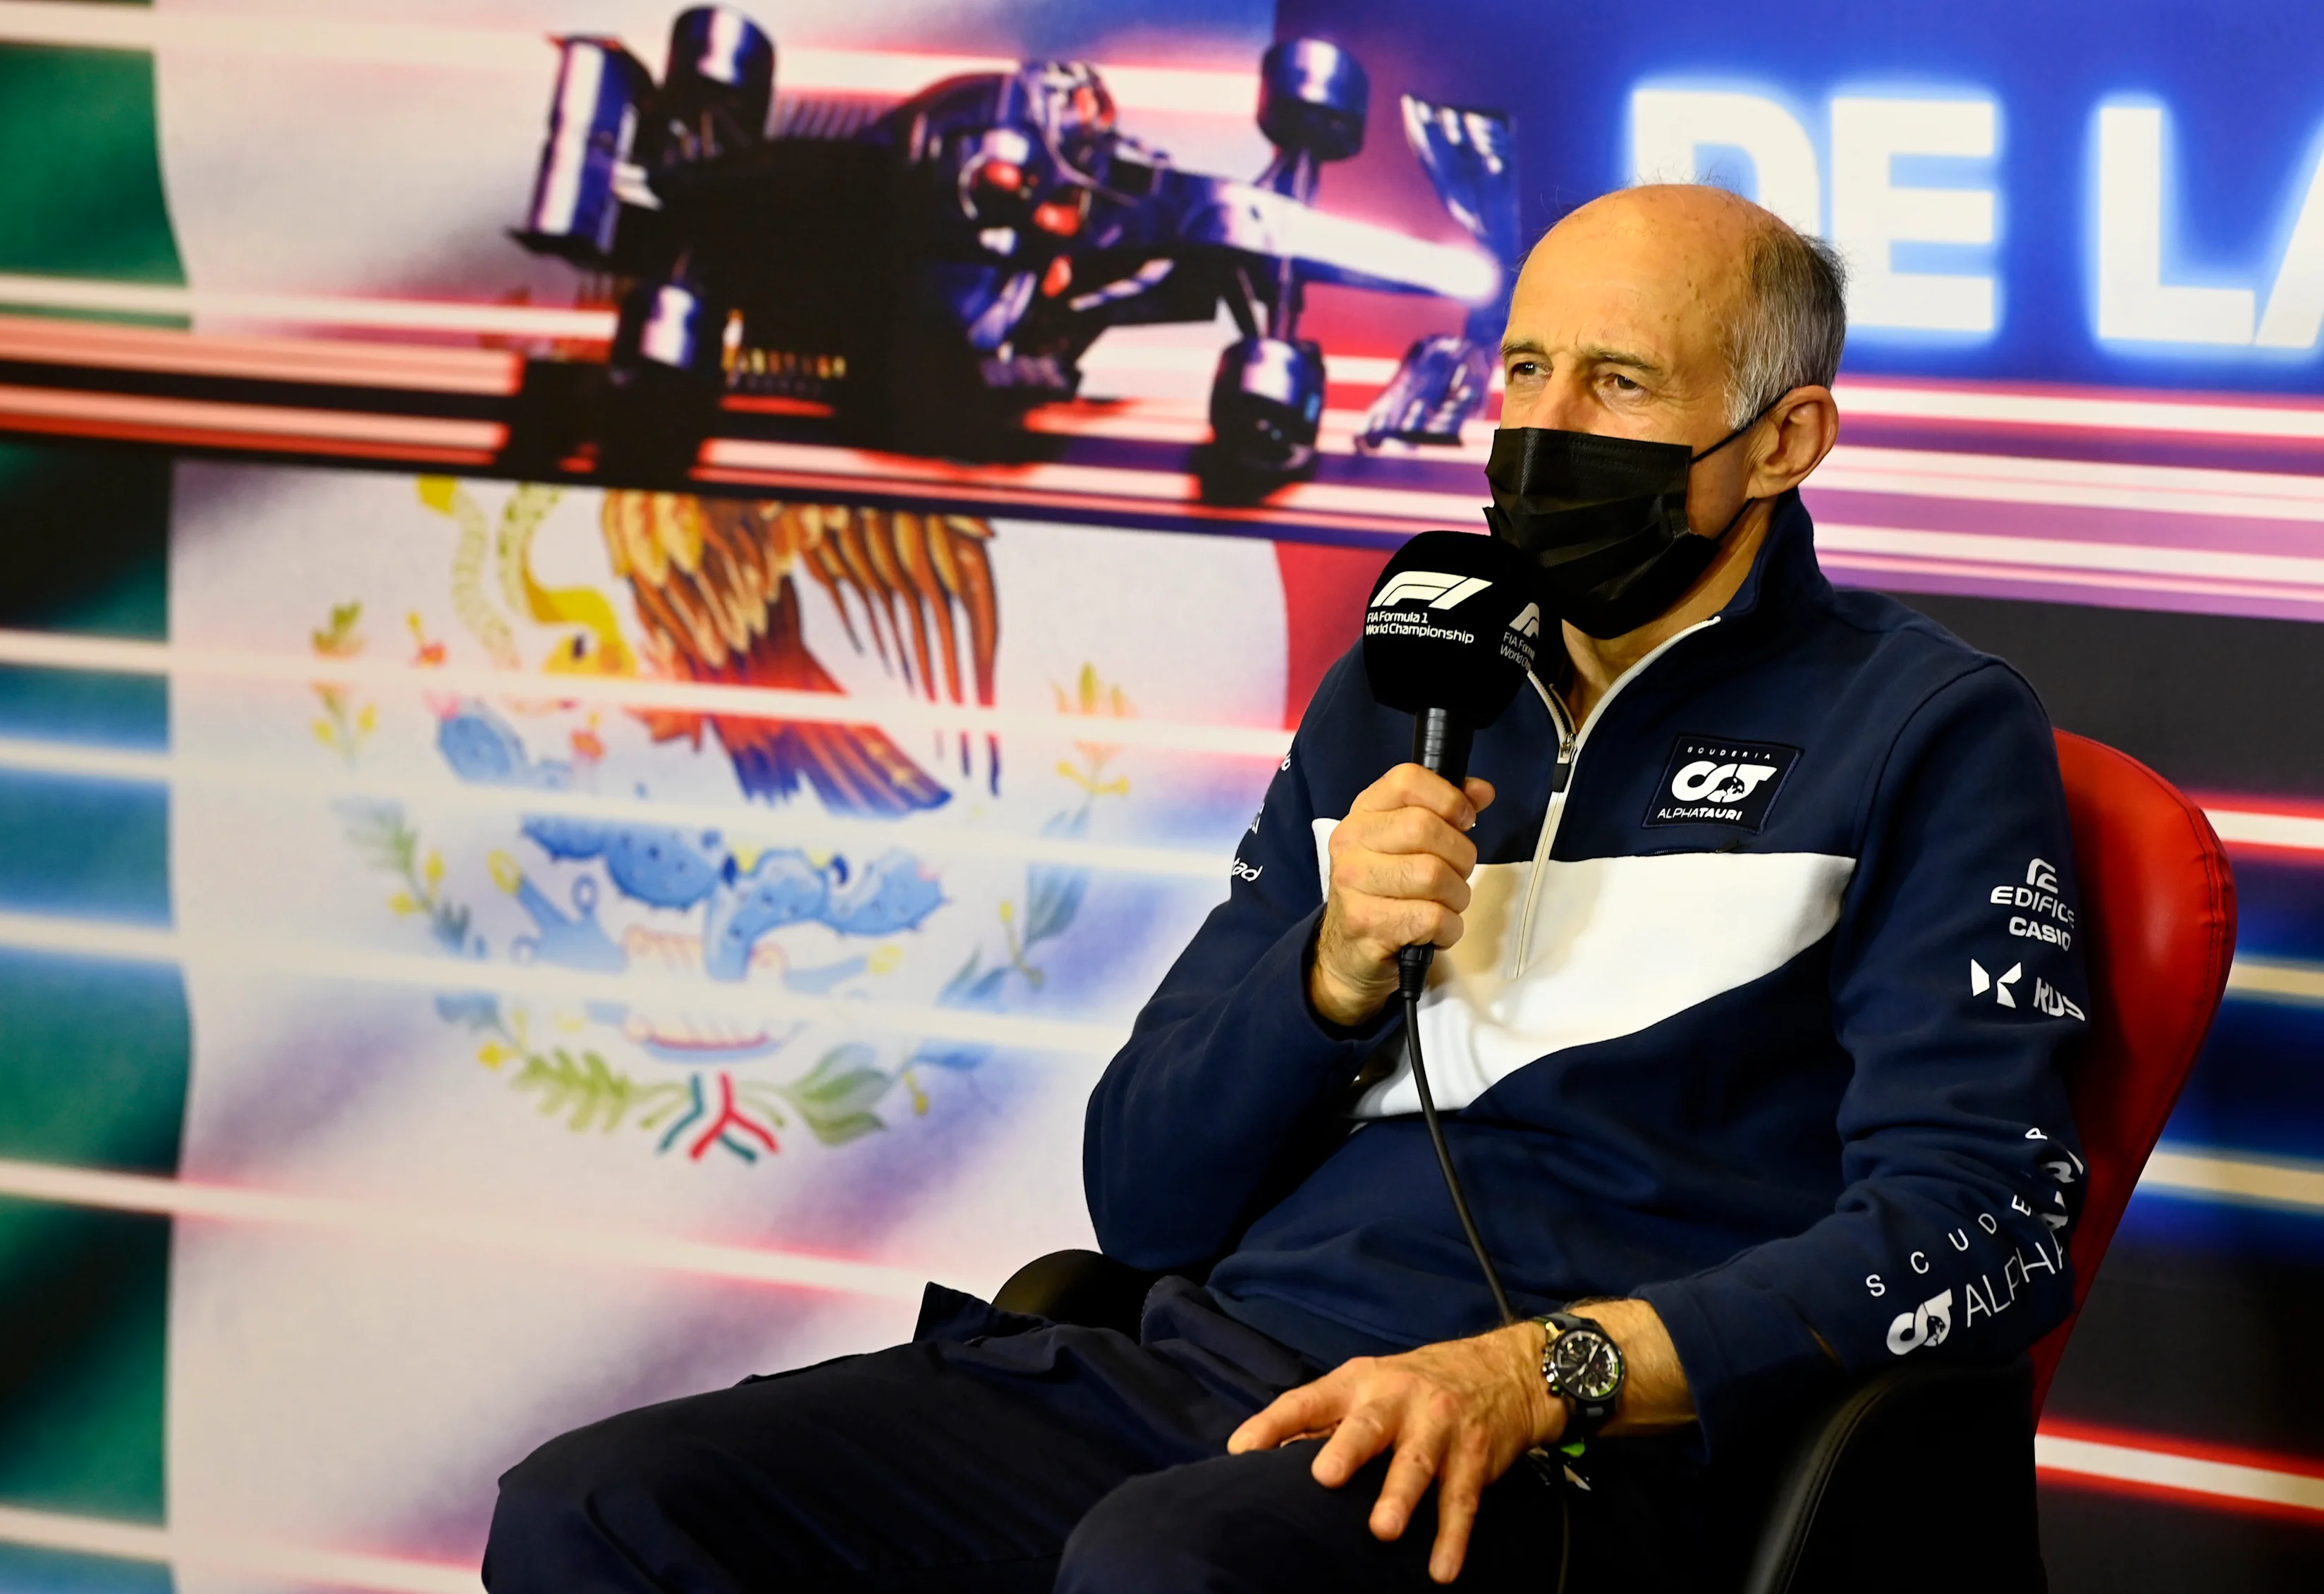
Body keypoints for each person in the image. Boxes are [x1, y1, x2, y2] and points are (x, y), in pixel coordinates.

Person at [482, 184, 2089, 1593]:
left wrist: (1546, 1372)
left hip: (1565, 1457)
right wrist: (1323, 973)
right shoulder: (1399, 695)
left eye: (1617, 383)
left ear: (1784, 441)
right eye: (1525, 369)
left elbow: (1981, 1222)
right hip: (1211, 1377)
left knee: (1167, 1564)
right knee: (604, 1511)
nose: (1542, 429)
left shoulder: (1923, 727)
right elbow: (1147, 1198)